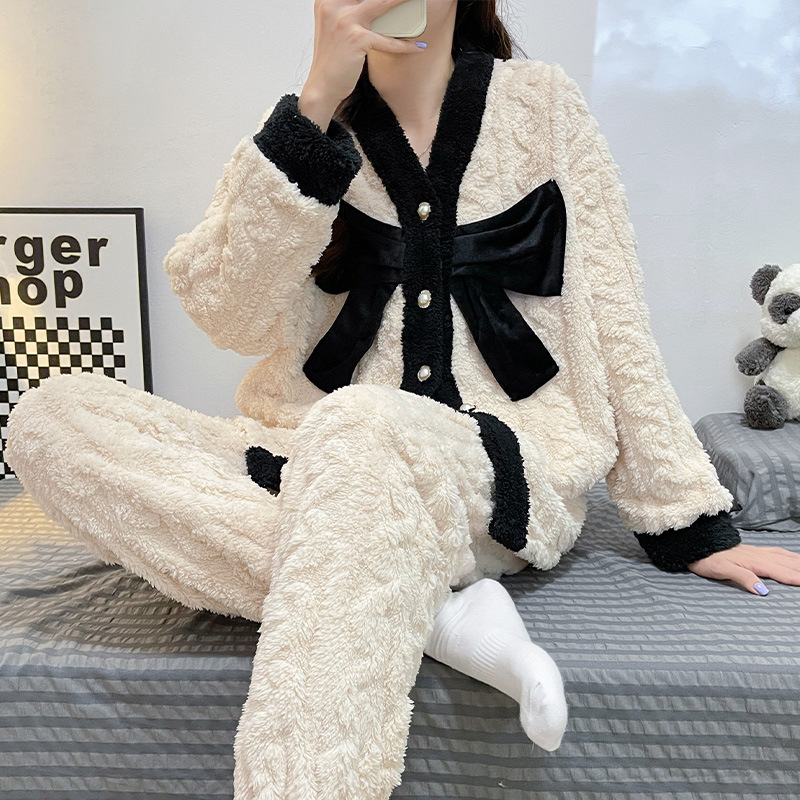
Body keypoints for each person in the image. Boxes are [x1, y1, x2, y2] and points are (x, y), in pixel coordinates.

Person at [6, 0, 800, 798]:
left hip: (488, 470)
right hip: (303, 458)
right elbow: (226, 313)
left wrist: (688, 524)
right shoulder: (310, 125)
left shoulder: (543, 107)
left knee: (362, 419)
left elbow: (615, 319)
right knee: (50, 418)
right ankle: (439, 612)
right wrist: (315, 105)